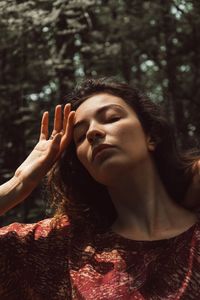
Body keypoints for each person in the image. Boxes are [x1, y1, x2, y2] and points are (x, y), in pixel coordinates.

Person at [0, 78, 200, 300]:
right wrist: (18, 184)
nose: (93, 132)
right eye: (79, 136)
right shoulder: (63, 249)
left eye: (112, 118)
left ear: (151, 135)